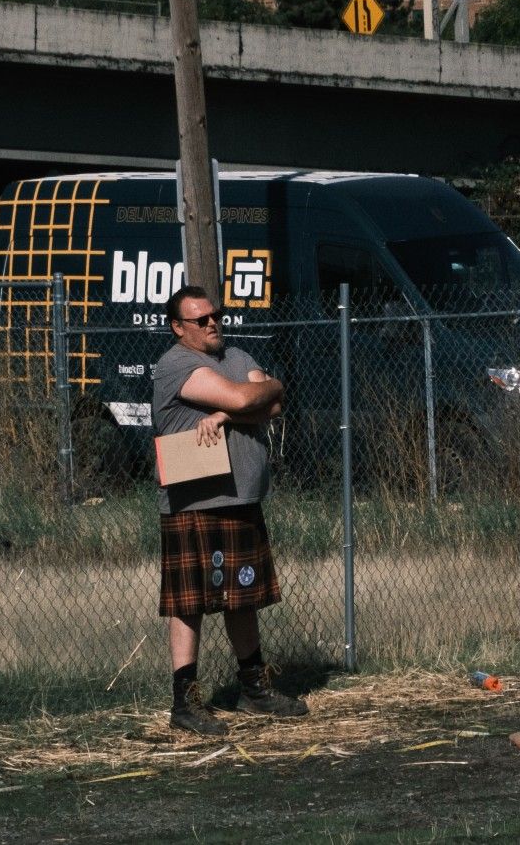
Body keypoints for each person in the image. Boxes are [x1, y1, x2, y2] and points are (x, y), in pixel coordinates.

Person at [154, 285, 309, 735]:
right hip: (195, 500)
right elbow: (249, 399)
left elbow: (274, 403)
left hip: (241, 497)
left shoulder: (237, 357)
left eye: (214, 316)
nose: (211, 323)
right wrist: (251, 400)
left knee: (243, 598)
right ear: (178, 327)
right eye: (199, 319)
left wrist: (226, 415)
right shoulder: (176, 364)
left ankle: (254, 691)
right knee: (191, 602)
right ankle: (185, 702)